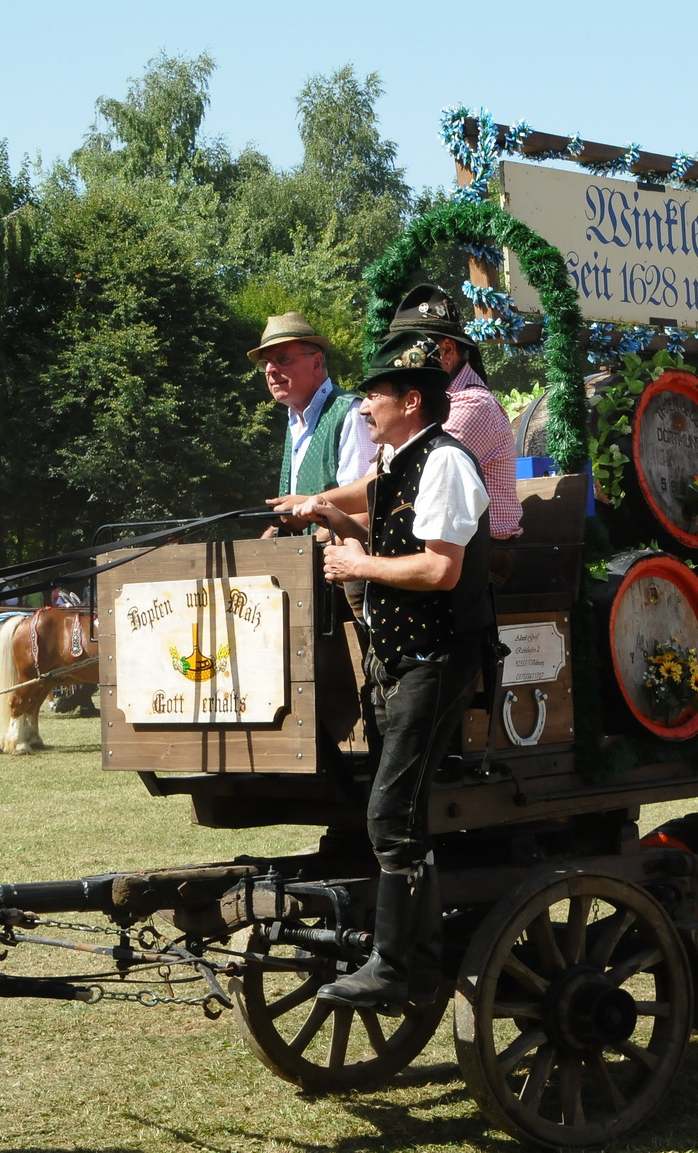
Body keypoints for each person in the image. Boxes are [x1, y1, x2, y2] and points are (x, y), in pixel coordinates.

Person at [303, 329, 494, 1013]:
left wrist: (355, 564)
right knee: (397, 811)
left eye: (373, 395)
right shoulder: (400, 464)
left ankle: (395, 964)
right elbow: (381, 532)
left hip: (435, 659)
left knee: (391, 811)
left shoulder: (444, 463)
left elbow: (441, 569)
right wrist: (329, 513)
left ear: (410, 401)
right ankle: (416, 964)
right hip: (399, 661)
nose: (361, 408)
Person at [279, 285, 523, 547]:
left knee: (347, 572)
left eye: (411, 351)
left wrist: (315, 503)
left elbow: (398, 479)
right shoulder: (414, 407)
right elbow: (383, 478)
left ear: (448, 351)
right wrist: (331, 520)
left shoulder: (472, 405)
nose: (397, 359)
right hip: (431, 544)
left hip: (482, 556)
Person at [248, 312, 378, 534]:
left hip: (338, 560)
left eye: (282, 359)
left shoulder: (351, 412)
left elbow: (364, 507)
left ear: (316, 363)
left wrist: (315, 546)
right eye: (265, 363)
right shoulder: (294, 419)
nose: (270, 370)